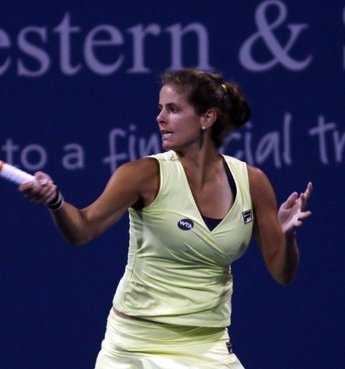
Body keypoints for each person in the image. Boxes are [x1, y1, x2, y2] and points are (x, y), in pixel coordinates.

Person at [19, 68, 313, 369]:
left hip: (208, 346)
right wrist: (55, 201)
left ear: (206, 118)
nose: (160, 118)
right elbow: (82, 228)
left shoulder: (253, 182)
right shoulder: (143, 175)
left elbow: (283, 274)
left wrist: (287, 235)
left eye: (173, 109)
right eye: (160, 109)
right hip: (134, 348)